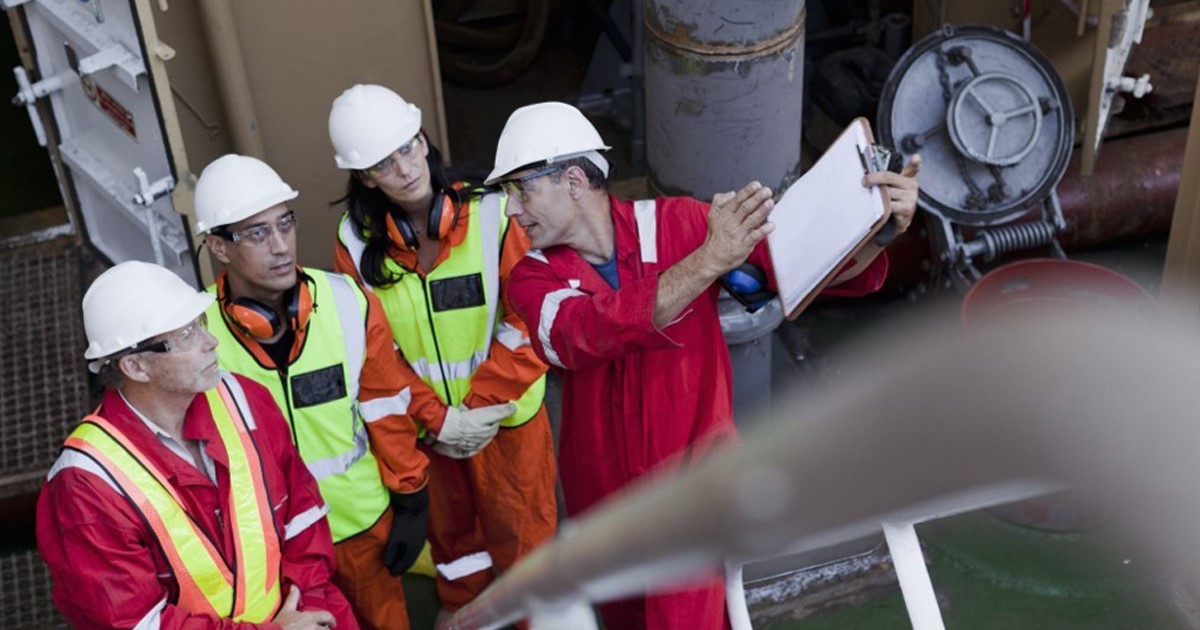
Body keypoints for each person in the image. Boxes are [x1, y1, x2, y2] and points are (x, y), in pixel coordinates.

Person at [487, 101, 922, 629]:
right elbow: (578, 334)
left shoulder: (682, 224)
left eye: (521, 190)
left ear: (574, 180)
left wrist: (878, 230)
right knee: (624, 620)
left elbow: (792, 272)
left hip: (695, 488)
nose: (512, 211)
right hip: (603, 497)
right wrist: (708, 261)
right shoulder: (531, 278)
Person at [327, 84, 558, 619]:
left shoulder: (497, 212)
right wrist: (440, 421)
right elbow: (374, 353)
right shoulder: (354, 243)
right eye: (384, 163)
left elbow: (531, 321)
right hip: (432, 433)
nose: (405, 168)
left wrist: (474, 411)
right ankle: (467, 616)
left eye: (409, 147)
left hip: (505, 424)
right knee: (455, 549)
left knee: (527, 543)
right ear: (365, 178)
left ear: (424, 139)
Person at [37, 260, 358, 629]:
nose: (211, 341)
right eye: (187, 335)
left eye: (200, 323)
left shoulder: (243, 399)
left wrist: (308, 611)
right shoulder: (86, 485)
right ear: (136, 367)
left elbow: (303, 518)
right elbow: (136, 622)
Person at [193, 154, 431, 630]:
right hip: (271, 547)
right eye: (257, 233)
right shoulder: (198, 334)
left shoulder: (347, 302)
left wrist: (411, 497)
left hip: (360, 525)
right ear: (219, 247)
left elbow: (386, 407)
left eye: (286, 223)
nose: (281, 246)